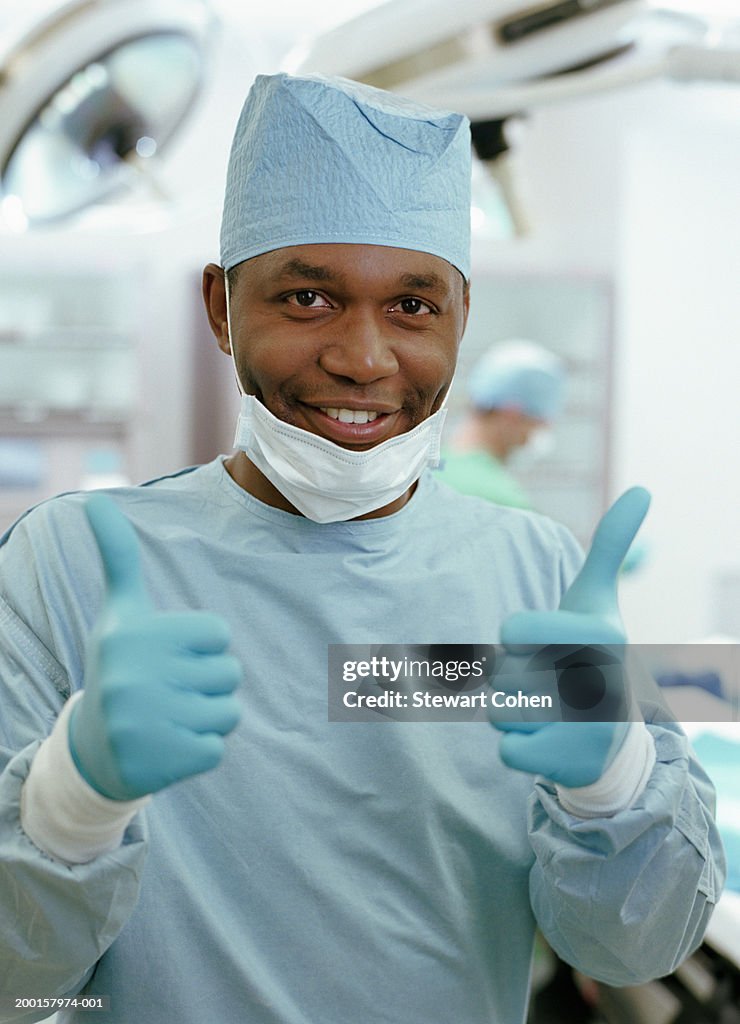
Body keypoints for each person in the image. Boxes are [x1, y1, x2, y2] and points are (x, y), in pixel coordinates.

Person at [0, 73, 725, 1024]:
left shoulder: (533, 573)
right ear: (220, 308)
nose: (365, 358)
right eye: (307, 297)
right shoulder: (71, 564)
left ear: (463, 314)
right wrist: (70, 807)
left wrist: (613, 783)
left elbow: (631, 949)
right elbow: (18, 985)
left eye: (413, 308)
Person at [436, 338, 567, 508]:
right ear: (512, 414)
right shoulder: (503, 502)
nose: (540, 433)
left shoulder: (422, 473)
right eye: (538, 422)